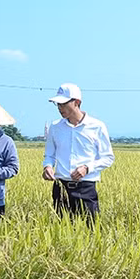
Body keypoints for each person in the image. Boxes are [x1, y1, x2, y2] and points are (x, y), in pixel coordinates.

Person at [43, 83, 114, 224]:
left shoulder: (97, 126)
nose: (60, 108)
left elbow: (108, 157)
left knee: (90, 229)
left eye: (63, 104)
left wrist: (87, 168)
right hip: (61, 187)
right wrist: (48, 167)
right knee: (61, 229)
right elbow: (49, 154)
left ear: (77, 102)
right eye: (58, 104)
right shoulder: (55, 127)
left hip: (85, 187)